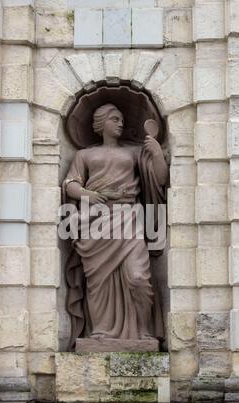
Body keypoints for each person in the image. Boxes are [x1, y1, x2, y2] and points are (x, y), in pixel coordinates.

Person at [63, 103, 168, 349]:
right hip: (96, 222)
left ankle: (142, 331)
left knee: (138, 276)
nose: (120, 123)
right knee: (98, 282)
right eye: (114, 118)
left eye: (121, 118)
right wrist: (89, 194)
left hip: (129, 217)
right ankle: (99, 331)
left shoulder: (133, 152)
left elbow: (161, 179)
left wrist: (157, 154)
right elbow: (70, 184)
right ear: (101, 125)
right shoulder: (84, 155)